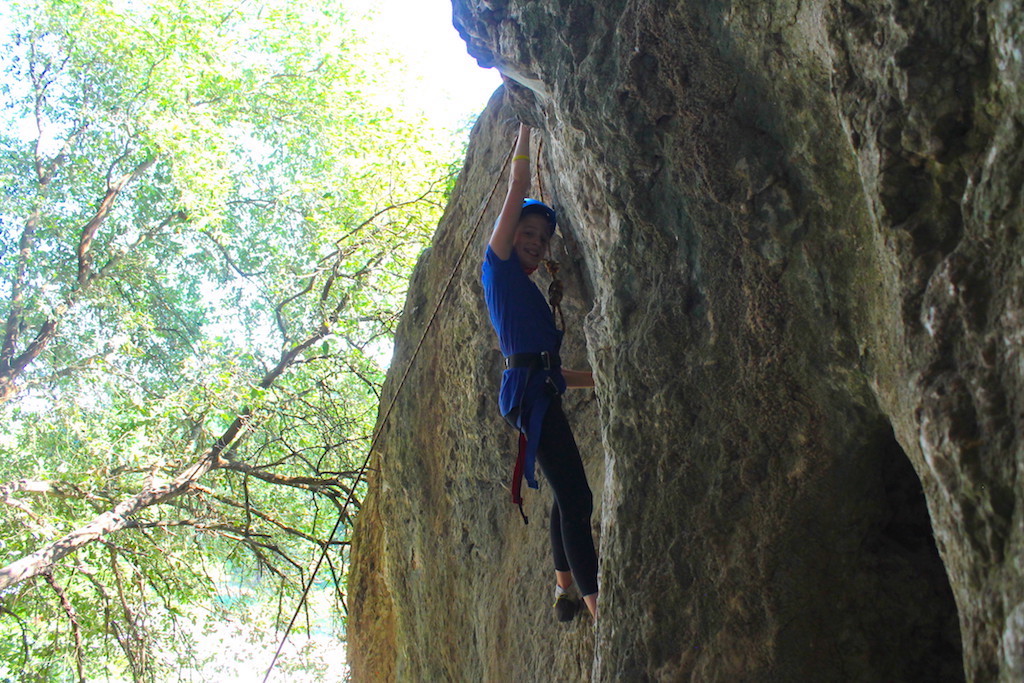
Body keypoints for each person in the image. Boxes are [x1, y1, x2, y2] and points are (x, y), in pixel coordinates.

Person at [480, 123, 599, 622]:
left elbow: (552, 370)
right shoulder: (498, 266)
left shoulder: (526, 293)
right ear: (511, 238)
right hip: (529, 394)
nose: (535, 242)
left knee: (563, 489)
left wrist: (601, 376)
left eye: (542, 238)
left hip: (536, 389)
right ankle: (598, 607)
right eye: (527, 233)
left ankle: (564, 589)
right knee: (578, 496)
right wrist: (527, 127)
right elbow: (517, 190)